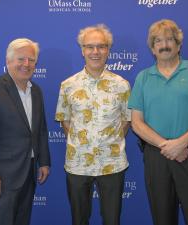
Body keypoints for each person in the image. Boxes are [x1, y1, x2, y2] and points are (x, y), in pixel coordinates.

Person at [128, 19, 188, 225]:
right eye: (158, 41)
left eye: (170, 39)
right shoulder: (143, 78)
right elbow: (137, 123)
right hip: (157, 156)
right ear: (152, 48)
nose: (164, 44)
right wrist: (166, 145)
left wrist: (181, 143)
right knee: (162, 219)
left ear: (179, 44)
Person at [55, 24, 131, 225]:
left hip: (112, 164)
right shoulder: (68, 85)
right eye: (90, 46)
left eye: (101, 46)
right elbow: (65, 120)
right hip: (78, 164)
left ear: (108, 50)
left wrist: (108, 141)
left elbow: (127, 120)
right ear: (82, 50)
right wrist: (83, 143)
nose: (95, 52)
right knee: (79, 220)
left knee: (112, 220)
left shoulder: (122, 85)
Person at [0, 38, 51, 225]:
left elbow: (40, 129)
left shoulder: (36, 91)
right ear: (8, 61)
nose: (26, 64)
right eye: (21, 59)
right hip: (2, 176)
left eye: (31, 60)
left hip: (29, 173)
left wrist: (44, 162)